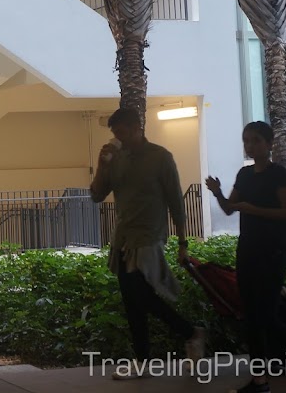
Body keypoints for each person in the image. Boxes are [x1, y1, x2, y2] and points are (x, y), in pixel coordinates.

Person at [206, 121, 286, 393]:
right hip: (247, 252)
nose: (250, 145)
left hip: (272, 253)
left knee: (268, 317)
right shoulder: (244, 174)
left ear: (269, 144)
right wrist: (217, 193)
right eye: (246, 140)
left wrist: (254, 209)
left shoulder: (278, 174)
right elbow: (229, 209)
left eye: (256, 140)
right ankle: (259, 381)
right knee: (252, 319)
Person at [90, 108, 205, 377]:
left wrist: (182, 243)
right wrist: (102, 165)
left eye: (121, 132)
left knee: (139, 296)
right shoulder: (116, 160)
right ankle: (168, 345)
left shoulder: (160, 158)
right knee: (135, 300)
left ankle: (187, 334)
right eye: (114, 133)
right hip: (123, 239)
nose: (118, 138)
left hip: (149, 238)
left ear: (135, 128)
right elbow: (96, 195)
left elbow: (177, 202)